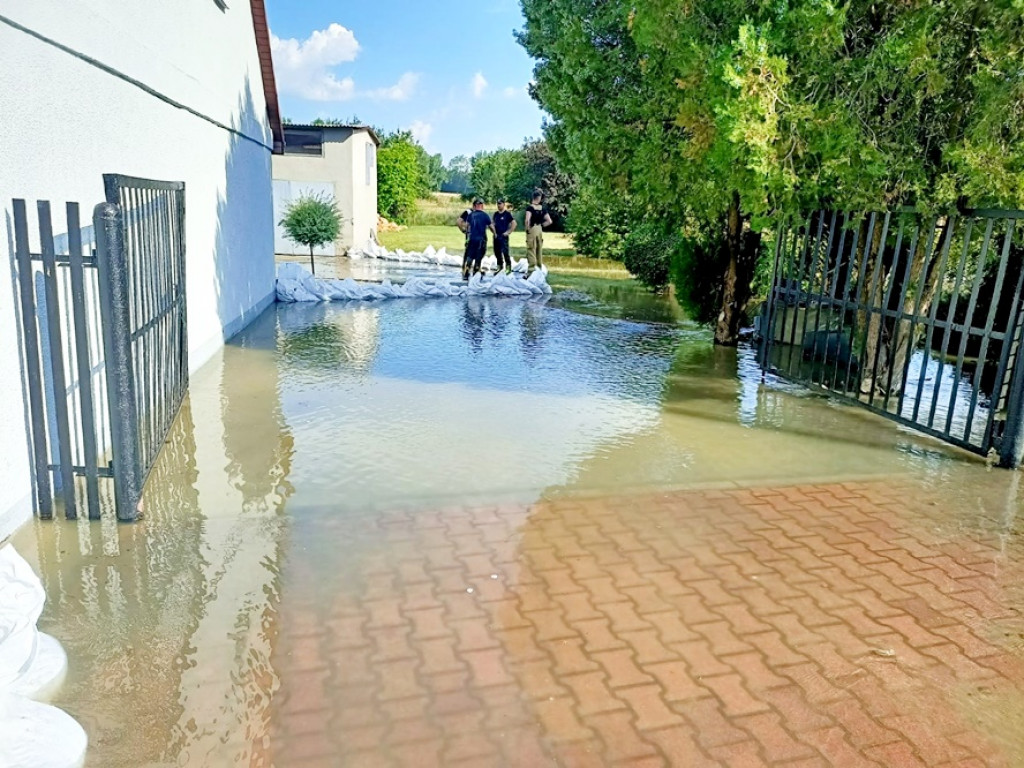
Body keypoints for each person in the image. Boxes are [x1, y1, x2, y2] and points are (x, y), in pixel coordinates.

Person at [463, 198, 494, 279]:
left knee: (470, 255)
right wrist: (495, 233)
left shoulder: (470, 215)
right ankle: (476, 271)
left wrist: (467, 235)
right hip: (481, 239)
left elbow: (467, 226)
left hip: (472, 238)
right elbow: (491, 226)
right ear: (482, 206)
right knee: (479, 255)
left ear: (475, 206)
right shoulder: (485, 215)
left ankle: (467, 270)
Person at [524, 189, 553, 274]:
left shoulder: (530, 208)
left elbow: (527, 220)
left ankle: (531, 270)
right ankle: (539, 267)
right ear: (539, 198)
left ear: (533, 197)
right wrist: (542, 225)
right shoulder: (542, 209)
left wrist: (527, 229)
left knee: (531, 248)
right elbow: (549, 221)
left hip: (532, 228)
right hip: (539, 228)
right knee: (539, 249)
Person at [492, 198, 516, 273]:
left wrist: (508, 232)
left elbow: (514, 224)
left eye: (500, 204)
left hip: (503, 236)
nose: (498, 205)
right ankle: (499, 266)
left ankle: (508, 267)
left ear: (503, 204)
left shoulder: (507, 214)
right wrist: (494, 232)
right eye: (497, 204)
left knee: (505, 252)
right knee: (497, 252)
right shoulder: (495, 214)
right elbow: (492, 224)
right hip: (496, 236)